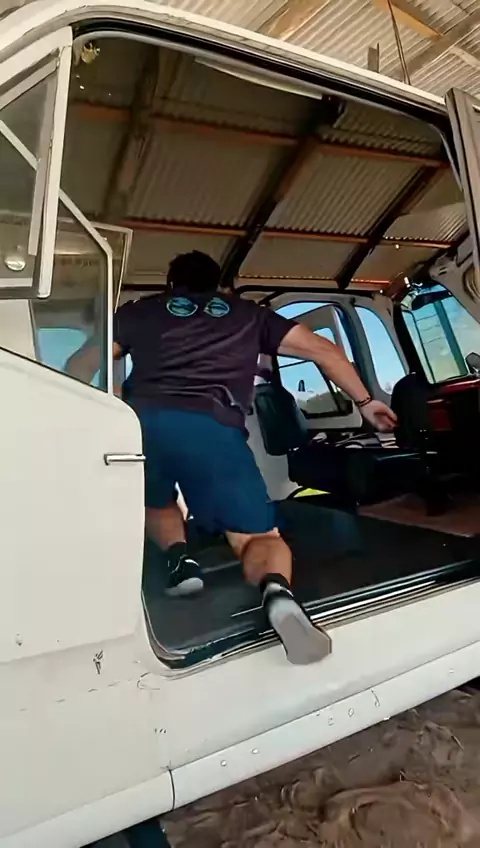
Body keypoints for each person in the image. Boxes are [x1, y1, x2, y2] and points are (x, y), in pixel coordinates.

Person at [67, 251, 396, 665]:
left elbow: (79, 364)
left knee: (157, 499)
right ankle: (277, 593)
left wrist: (115, 404)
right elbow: (324, 350)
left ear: (170, 284)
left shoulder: (140, 312)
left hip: (142, 426)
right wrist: (366, 403)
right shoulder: (248, 315)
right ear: (220, 285)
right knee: (257, 538)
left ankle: (180, 561)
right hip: (212, 427)